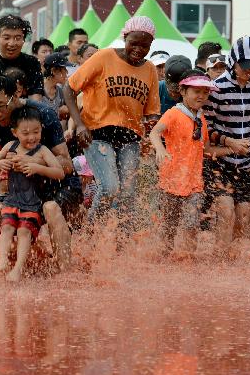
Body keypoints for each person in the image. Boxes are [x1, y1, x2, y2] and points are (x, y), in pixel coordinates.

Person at [64, 16, 161, 233]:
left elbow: (152, 112)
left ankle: (119, 245)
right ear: (124, 37)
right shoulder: (104, 57)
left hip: (130, 138)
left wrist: (151, 135)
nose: (138, 49)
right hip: (97, 133)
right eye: (133, 43)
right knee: (109, 188)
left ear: (150, 46)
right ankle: (89, 233)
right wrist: (79, 125)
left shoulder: (150, 70)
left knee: (128, 194)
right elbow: (69, 89)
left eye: (144, 45)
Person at [0, 72, 76, 271]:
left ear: (17, 94)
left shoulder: (43, 114)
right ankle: (13, 266)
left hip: (52, 186)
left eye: (2, 106)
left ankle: (65, 272)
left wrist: (35, 162)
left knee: (51, 208)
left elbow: (67, 163)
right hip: (17, 190)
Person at [203, 36, 250, 246]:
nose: (249, 71)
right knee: (226, 212)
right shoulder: (217, 88)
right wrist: (229, 142)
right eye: (244, 67)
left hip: (249, 160)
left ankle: (233, 260)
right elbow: (208, 127)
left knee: (244, 216)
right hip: (221, 161)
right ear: (233, 61)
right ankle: (220, 257)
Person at [149, 70, 229, 253]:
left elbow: (207, 150)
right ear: (183, 91)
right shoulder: (173, 114)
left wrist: (232, 149)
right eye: (196, 91)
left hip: (194, 182)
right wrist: (160, 149)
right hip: (171, 181)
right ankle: (164, 258)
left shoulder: (201, 118)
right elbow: (154, 133)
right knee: (169, 225)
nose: (201, 96)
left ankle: (188, 259)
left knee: (192, 223)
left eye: (205, 92)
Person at [0, 105, 65, 282]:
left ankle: (18, 268)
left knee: (24, 231)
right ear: (14, 132)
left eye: (36, 131)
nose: (32, 137)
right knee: (7, 227)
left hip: (33, 202)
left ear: (41, 129)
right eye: (25, 133)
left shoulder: (42, 151)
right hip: (12, 200)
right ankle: (2, 261)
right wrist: (0, 165)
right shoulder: (10, 146)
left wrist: (37, 167)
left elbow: (59, 172)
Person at [41, 52, 73, 120]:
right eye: (64, 69)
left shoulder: (60, 92)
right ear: (54, 71)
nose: (67, 72)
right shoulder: (37, 90)